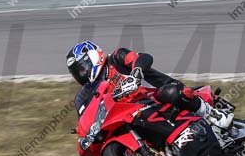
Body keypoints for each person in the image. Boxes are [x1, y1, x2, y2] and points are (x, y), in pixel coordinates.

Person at [66, 41, 234, 128]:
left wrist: (136, 72)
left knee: (169, 92)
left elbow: (143, 57)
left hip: (149, 100)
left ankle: (213, 114)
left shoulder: (115, 58)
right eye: (77, 72)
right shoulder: (84, 95)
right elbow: (85, 118)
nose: (81, 74)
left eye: (82, 68)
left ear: (94, 56)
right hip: (125, 118)